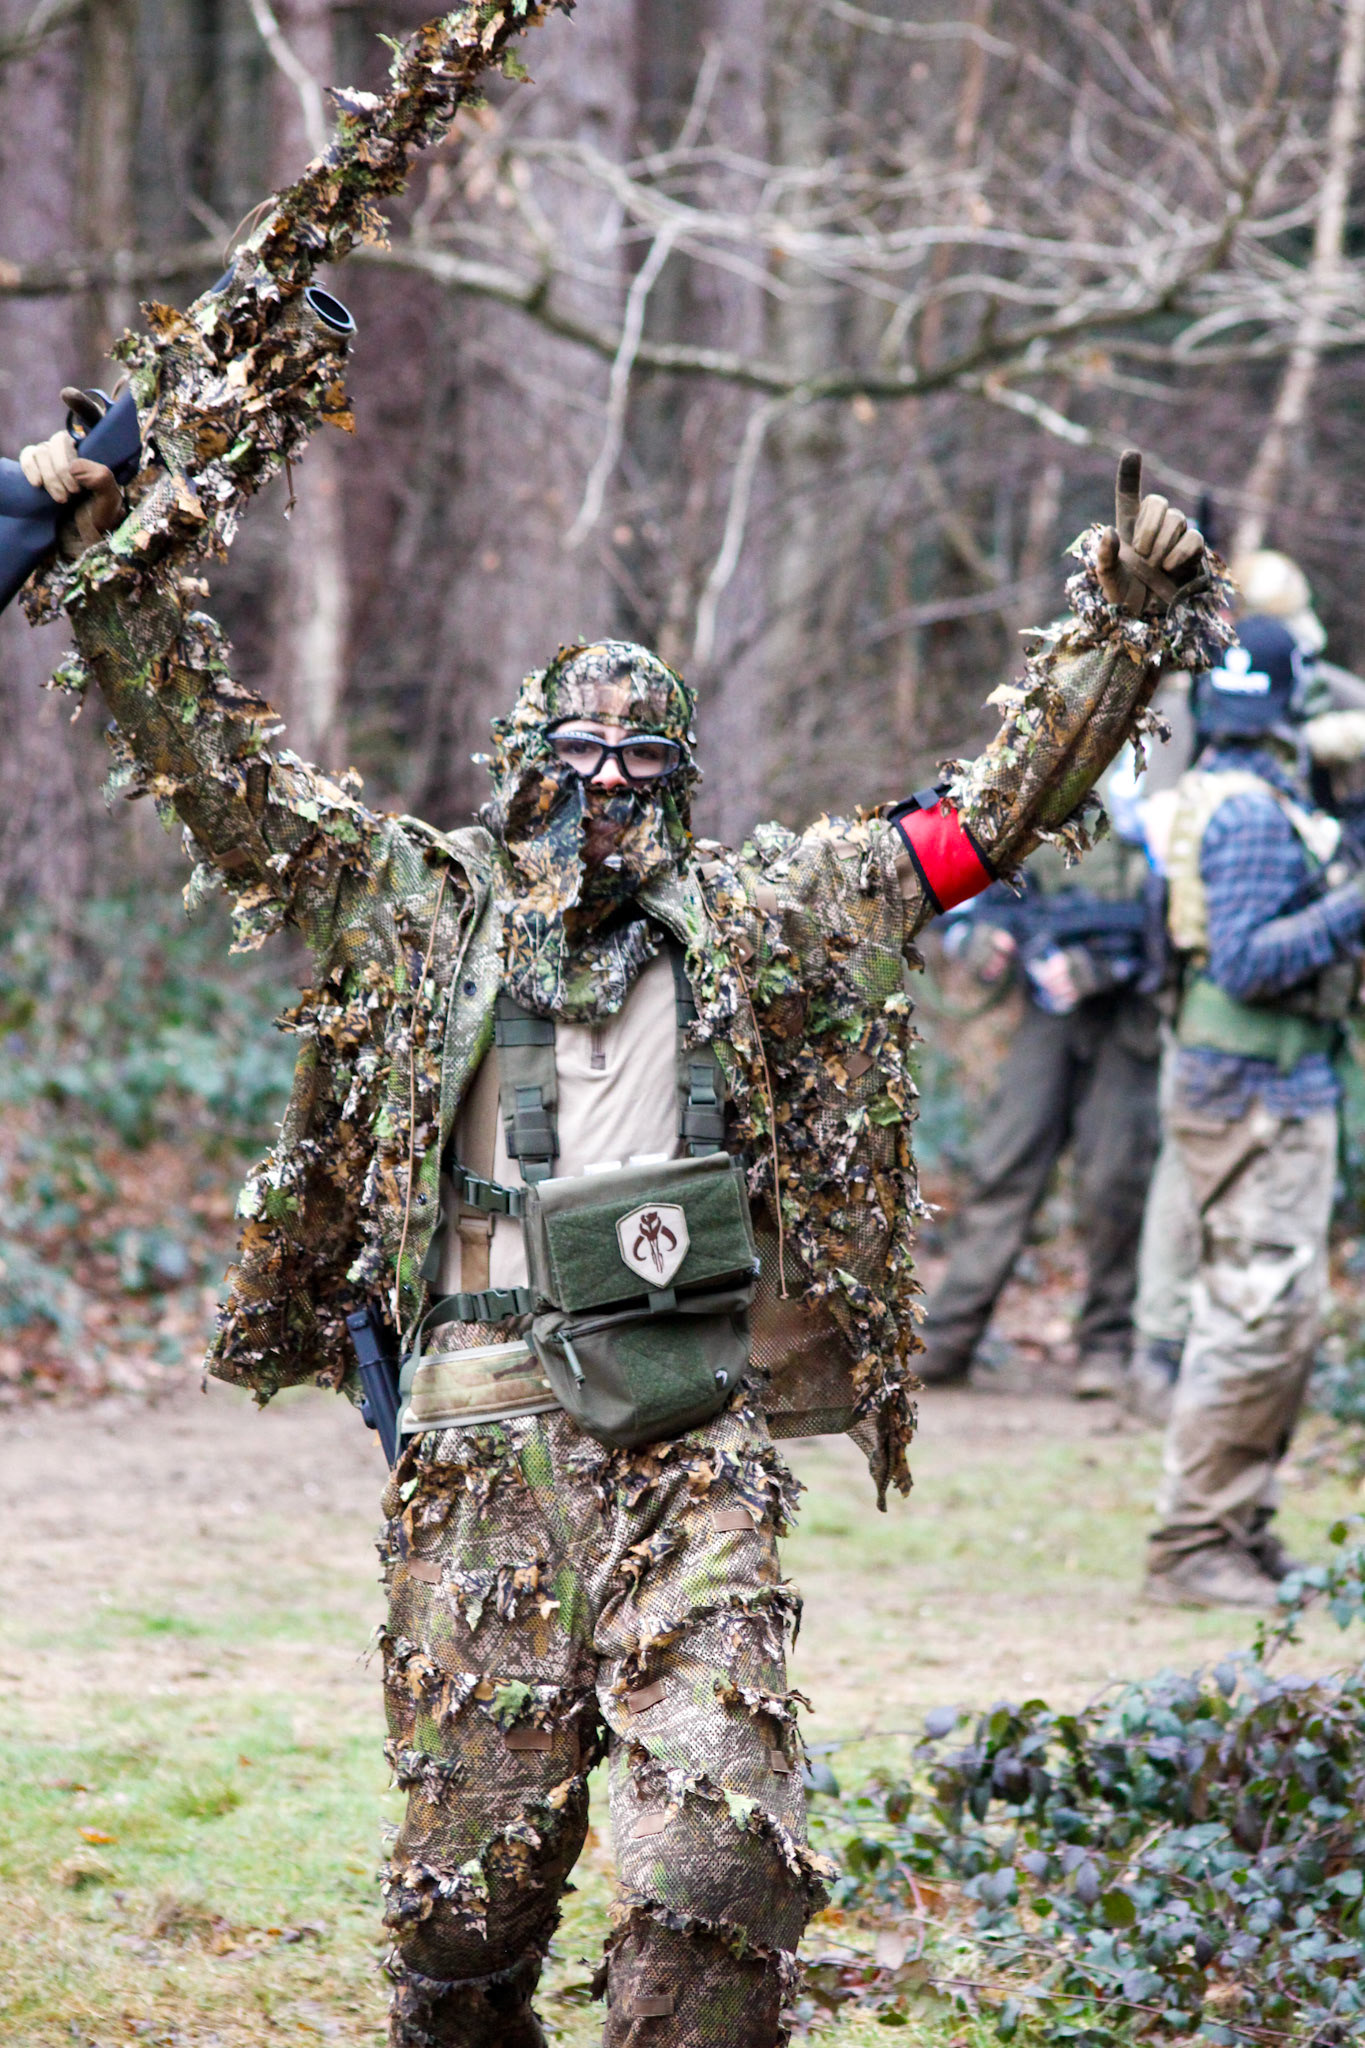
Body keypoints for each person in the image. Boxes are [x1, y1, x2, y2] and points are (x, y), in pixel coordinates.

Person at [18, 345, 1220, 2044]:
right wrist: (112, 560)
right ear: (521, 763)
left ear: (685, 778)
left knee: (716, 1858)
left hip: (687, 1440)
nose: (607, 784)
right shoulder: (413, 906)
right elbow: (222, 780)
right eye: (578, 753)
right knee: (465, 1903)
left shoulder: (770, 917)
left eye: (642, 758)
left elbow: (974, 827)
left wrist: (1121, 629)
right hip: (477, 1451)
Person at [1142, 615, 1365, 1610]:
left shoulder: (1241, 795)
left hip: (1267, 1085)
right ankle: (1193, 1545)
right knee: (1253, 1317)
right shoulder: (1246, 813)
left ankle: (1237, 1526)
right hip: (1255, 1090)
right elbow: (1242, 961)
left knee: (1278, 1318)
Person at [917, 788, 1161, 1399]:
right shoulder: (1039, 787)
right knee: (1004, 1164)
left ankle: (1106, 1346)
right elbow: (963, 905)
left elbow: (1176, 927)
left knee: (1114, 1182)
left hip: (1128, 1021)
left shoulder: (1162, 790)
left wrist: (1104, 969)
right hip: (1046, 1018)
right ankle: (948, 1340)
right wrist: (975, 941)